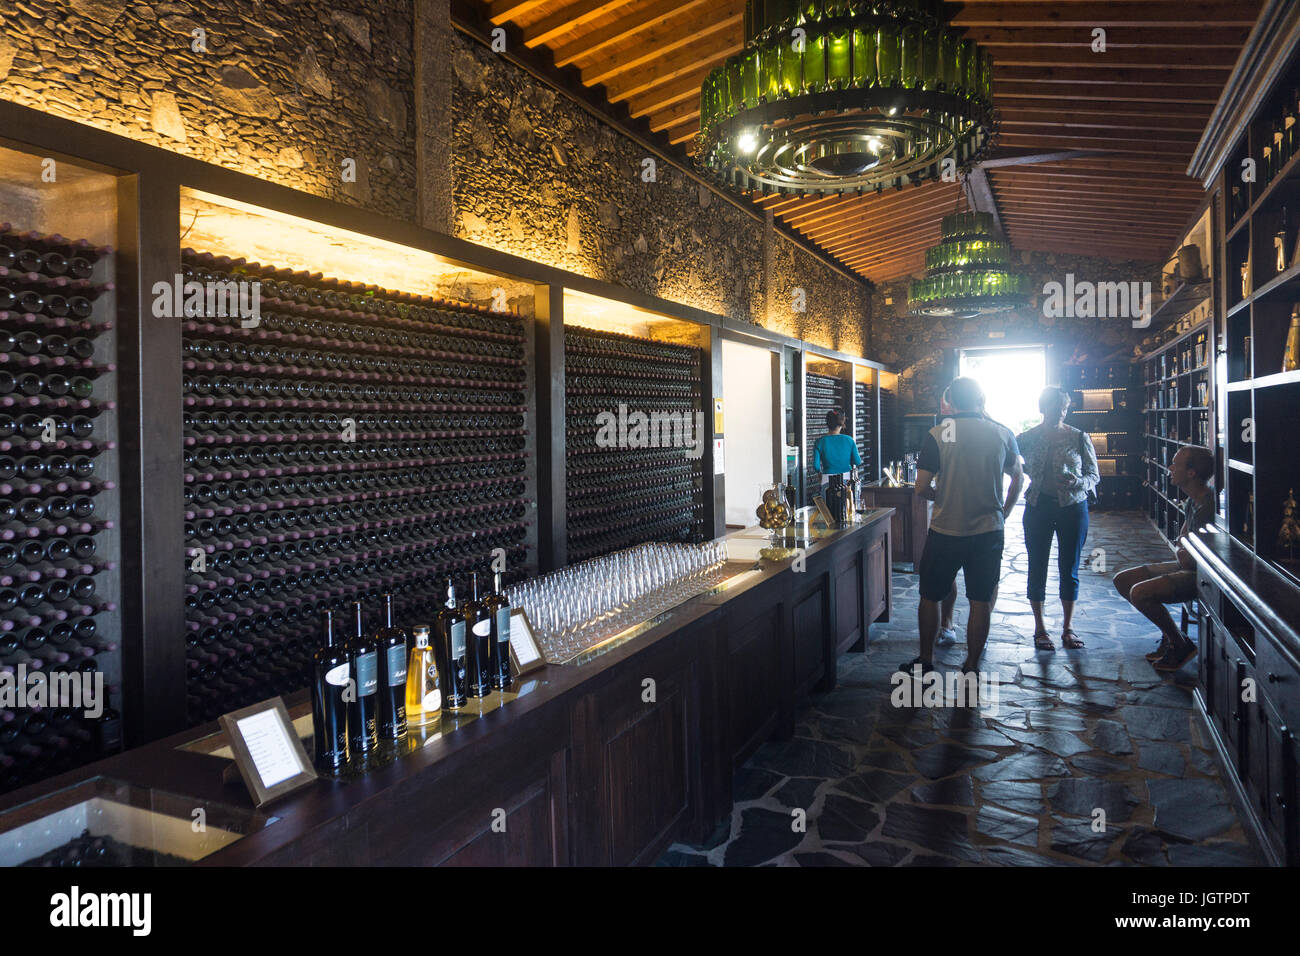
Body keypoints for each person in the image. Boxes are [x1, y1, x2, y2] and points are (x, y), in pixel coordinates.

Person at [904, 377, 1024, 675]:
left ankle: (926, 660)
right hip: (988, 530)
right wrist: (1004, 512)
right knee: (980, 599)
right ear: (980, 398)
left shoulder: (939, 433)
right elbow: (1018, 478)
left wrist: (944, 496)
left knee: (930, 595)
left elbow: (919, 488)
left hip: (946, 528)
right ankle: (971, 665)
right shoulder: (1002, 432)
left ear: (950, 401)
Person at [1113, 445, 1216, 672]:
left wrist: (1183, 549)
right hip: (1187, 565)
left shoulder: (1209, 506)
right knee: (1122, 580)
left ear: (1191, 473)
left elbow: (1188, 557)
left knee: (1140, 592)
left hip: (1203, 577)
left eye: (1175, 464)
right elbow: (1182, 542)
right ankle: (1172, 637)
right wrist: (1183, 549)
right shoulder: (1192, 501)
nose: (1169, 468)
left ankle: (1179, 644)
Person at [1016, 386, 1100, 651]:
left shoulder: (1079, 437)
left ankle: (1067, 628)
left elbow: (1094, 475)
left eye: (1064, 407)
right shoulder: (1026, 438)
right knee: (1036, 565)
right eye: (1055, 407)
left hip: (1072, 507)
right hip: (1038, 506)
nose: (1060, 412)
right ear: (1042, 408)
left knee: (1069, 567)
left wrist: (1078, 482)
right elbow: (1008, 462)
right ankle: (1040, 628)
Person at [813, 410, 862, 525]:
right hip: (847, 482)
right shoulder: (849, 440)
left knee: (829, 518)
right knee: (848, 514)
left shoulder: (819, 442)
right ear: (842, 424)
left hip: (827, 482)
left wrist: (819, 473)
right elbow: (857, 461)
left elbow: (815, 466)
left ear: (827, 423)